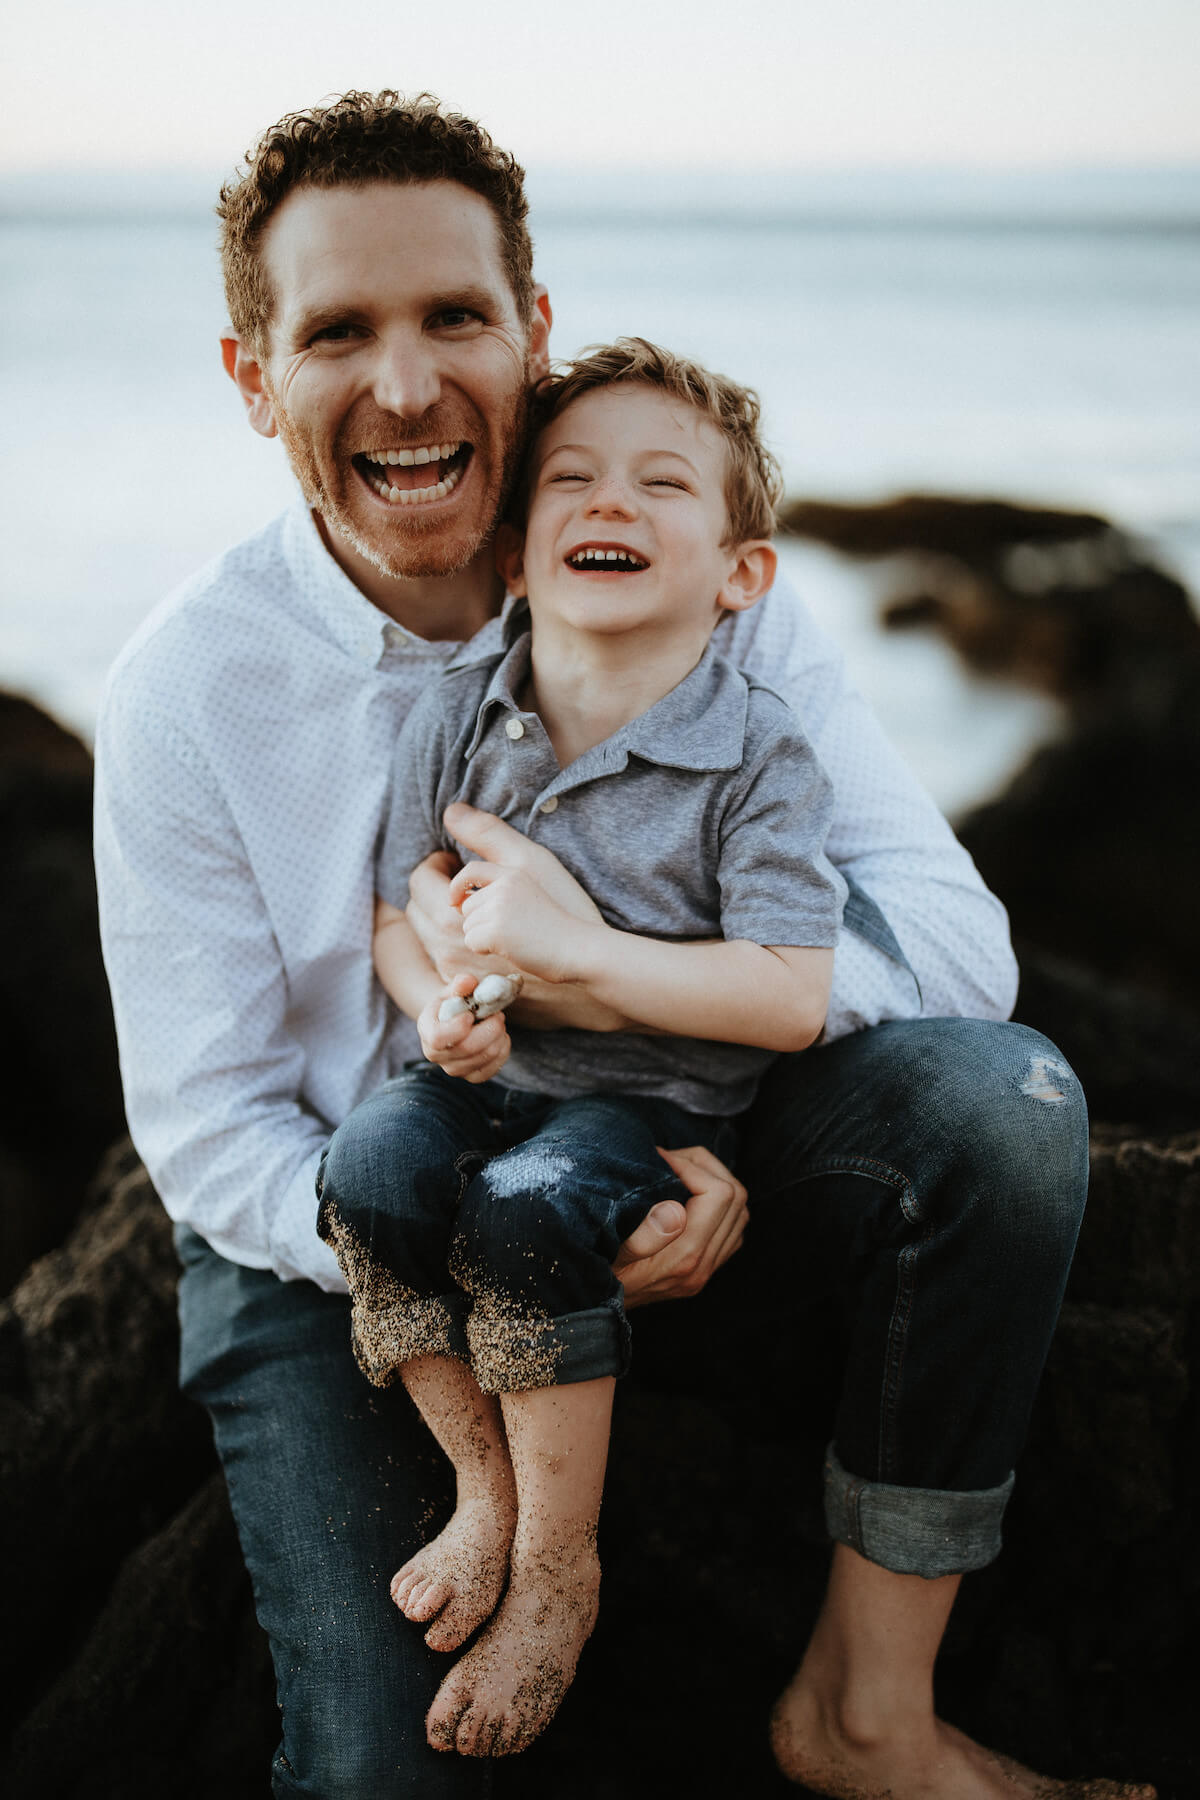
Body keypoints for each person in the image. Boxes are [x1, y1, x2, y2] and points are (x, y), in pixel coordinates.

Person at [92, 91, 1150, 1800]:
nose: (412, 384)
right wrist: (512, 1203)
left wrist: (642, 1029)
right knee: (386, 1772)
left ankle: (869, 1710)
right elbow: (214, 1139)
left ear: (534, 332)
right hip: (348, 1242)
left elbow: (957, 943)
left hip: (681, 1120)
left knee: (999, 1105)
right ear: (250, 378)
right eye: (339, 332)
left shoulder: (670, 572)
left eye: (456, 317)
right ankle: (507, 1514)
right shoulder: (189, 693)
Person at [315, 339, 845, 1759]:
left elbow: (794, 996)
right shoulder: (457, 713)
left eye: (662, 484)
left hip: (647, 1110)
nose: (611, 502)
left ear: (742, 572)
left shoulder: (759, 758)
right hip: (479, 1078)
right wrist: (437, 1003)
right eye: (573, 480)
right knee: (366, 1163)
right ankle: (482, 1487)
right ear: (514, 544)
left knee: (530, 1207)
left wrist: (580, 964)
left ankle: (559, 1565)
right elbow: (394, 909)